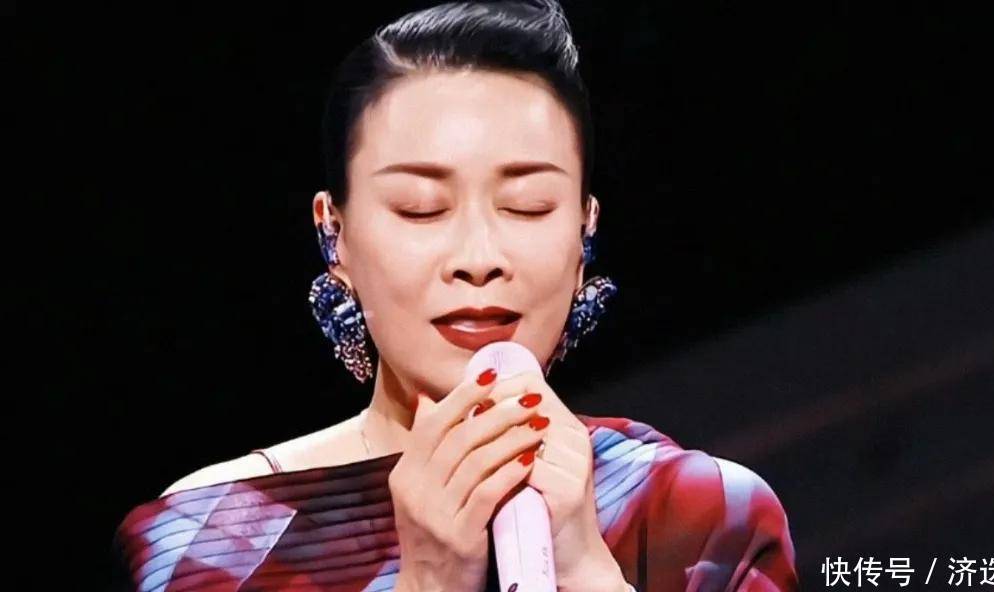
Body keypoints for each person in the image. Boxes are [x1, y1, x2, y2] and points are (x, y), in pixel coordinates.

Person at [112, 1, 798, 590]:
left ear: (584, 232)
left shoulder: (700, 516)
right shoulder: (211, 541)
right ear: (334, 234)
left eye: (528, 206)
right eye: (421, 208)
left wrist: (586, 567)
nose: (478, 259)